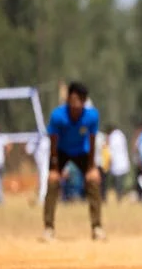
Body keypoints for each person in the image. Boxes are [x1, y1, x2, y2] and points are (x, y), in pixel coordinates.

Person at [41, 81, 105, 241]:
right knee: (53, 182)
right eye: (74, 100)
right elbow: (53, 143)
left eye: (81, 101)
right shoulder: (58, 116)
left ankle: (97, 227)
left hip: (82, 153)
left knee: (93, 181)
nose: (77, 104)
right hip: (61, 152)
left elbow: (92, 141)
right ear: (68, 99)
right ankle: (48, 228)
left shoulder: (91, 116)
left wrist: (91, 167)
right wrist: (54, 168)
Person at [106, 124, 131, 202]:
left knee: (118, 182)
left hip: (118, 163)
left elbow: (111, 150)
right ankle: (119, 196)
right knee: (120, 182)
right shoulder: (120, 135)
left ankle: (119, 197)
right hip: (121, 162)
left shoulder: (114, 136)